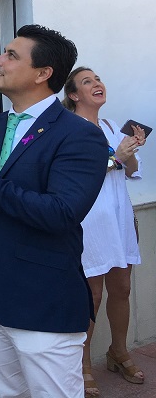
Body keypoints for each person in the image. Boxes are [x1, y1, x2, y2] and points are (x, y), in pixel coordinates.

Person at [0, 24, 109, 398]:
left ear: (43, 73)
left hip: (42, 298)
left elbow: (62, 212)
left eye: (11, 55)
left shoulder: (80, 135)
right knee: (11, 393)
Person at [62, 67, 147, 396]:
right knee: (92, 295)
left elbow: (131, 171)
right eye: (87, 82)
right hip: (89, 222)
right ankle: (82, 365)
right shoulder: (70, 130)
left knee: (122, 288)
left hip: (119, 218)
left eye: (97, 79)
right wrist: (116, 160)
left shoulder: (111, 126)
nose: (97, 84)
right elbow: (77, 176)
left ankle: (118, 352)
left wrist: (131, 152)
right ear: (73, 95)